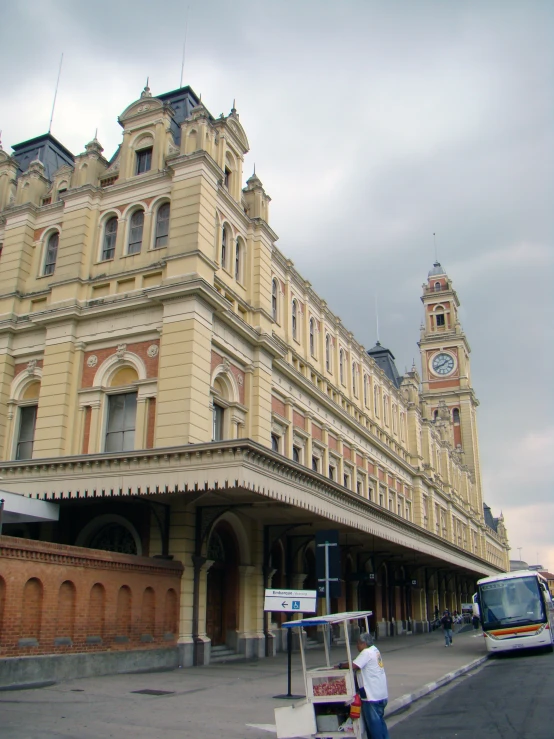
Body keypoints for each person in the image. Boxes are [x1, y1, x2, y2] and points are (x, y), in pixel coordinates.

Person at [337, 632, 389, 739]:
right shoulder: (375, 650)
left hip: (372, 697)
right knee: (380, 723)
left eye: (358, 643)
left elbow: (354, 665)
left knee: (374, 727)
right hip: (381, 694)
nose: (357, 646)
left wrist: (341, 666)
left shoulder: (366, 652)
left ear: (364, 644)